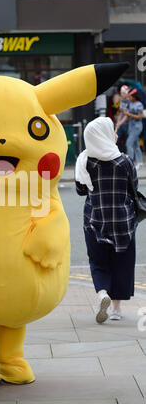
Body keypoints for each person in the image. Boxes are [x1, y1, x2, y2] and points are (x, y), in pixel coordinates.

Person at [75, 117, 138, 323]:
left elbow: (80, 190)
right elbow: (133, 188)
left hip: (95, 220)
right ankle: (116, 309)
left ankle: (102, 293)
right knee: (123, 262)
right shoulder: (125, 161)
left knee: (98, 261)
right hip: (123, 222)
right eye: (113, 131)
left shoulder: (85, 161)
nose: (116, 134)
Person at [124, 88, 144, 170]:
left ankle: (130, 163)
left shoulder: (139, 104)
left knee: (129, 143)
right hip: (131, 126)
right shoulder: (131, 103)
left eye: (130, 96)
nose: (129, 98)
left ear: (134, 96)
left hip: (137, 127)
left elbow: (139, 117)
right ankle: (140, 162)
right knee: (136, 145)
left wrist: (128, 114)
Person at [115, 85, 130, 153]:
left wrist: (120, 123)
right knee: (117, 140)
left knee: (127, 142)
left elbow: (127, 115)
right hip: (121, 125)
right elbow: (120, 113)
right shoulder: (122, 101)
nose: (122, 94)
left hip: (127, 125)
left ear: (127, 93)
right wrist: (118, 122)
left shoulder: (130, 102)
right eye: (121, 93)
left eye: (123, 93)